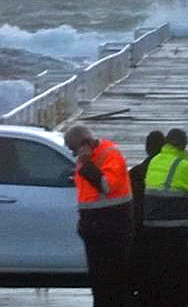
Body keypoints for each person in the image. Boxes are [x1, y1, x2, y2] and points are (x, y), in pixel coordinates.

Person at [64, 124, 133, 307]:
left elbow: (105, 186)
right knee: (99, 281)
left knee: (114, 281)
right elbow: (86, 196)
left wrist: (87, 164)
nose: (74, 155)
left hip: (113, 227)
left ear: (85, 143)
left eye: (74, 149)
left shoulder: (110, 155)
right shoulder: (84, 159)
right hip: (95, 227)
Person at [142, 128, 188, 307]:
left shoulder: (155, 161)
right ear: (185, 144)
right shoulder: (184, 166)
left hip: (151, 227)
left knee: (161, 272)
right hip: (176, 229)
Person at [128, 130, 166, 302]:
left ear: (146, 149)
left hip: (139, 234)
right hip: (164, 235)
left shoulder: (135, 173)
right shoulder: (171, 174)